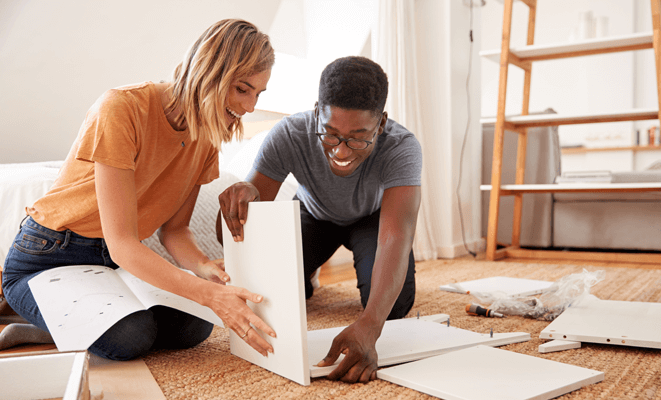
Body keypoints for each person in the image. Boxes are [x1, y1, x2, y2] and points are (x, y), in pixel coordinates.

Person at [2, 19, 277, 360]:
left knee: (194, 327)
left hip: (112, 263)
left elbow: (175, 230)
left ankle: (61, 322)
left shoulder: (206, 134)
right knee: (132, 338)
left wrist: (205, 267)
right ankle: (36, 321)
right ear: (209, 72)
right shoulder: (122, 107)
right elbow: (122, 243)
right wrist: (207, 294)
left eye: (258, 93)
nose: (249, 107)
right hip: (51, 255)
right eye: (242, 89)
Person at [218, 56, 422, 383]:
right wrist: (238, 200)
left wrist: (370, 326)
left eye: (358, 137)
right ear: (316, 114)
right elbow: (229, 235)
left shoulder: (402, 146)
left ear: (381, 125)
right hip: (314, 214)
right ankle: (306, 274)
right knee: (280, 292)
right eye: (330, 134)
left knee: (393, 309)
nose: (341, 151)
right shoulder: (290, 133)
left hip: (372, 220)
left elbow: (395, 237)